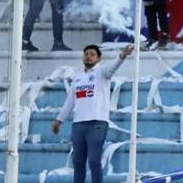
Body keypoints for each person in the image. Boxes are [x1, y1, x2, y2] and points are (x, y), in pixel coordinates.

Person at [52, 44, 134, 183]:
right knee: (78, 161)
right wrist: (59, 120)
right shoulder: (78, 78)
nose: (88, 56)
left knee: (94, 160)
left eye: (92, 54)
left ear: (98, 58)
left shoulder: (102, 72)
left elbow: (113, 67)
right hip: (78, 124)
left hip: (97, 123)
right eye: (86, 54)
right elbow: (70, 101)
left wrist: (122, 56)